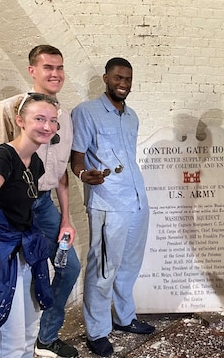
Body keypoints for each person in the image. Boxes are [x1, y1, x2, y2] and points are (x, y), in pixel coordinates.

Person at [0, 45, 81, 358]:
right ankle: (11, 345)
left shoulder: (64, 118)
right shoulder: (9, 109)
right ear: (32, 71)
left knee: (68, 268)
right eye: (47, 67)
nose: (55, 74)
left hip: (45, 205)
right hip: (14, 207)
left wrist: (66, 218)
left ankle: (45, 337)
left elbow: (62, 173)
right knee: (21, 277)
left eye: (59, 68)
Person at [0, 94, 59, 357]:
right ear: (20, 121)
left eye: (53, 121)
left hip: (24, 252)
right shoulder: (0, 160)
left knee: (29, 333)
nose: (47, 126)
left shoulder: (35, 162)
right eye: (39, 119)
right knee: (11, 343)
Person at [70, 57, 154, 357]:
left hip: (137, 201)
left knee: (129, 266)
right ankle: (97, 331)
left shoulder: (132, 116)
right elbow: (76, 158)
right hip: (107, 202)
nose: (124, 84)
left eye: (128, 79)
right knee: (103, 267)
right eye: (118, 77)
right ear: (106, 78)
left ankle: (124, 318)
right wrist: (83, 175)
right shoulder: (85, 112)